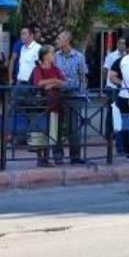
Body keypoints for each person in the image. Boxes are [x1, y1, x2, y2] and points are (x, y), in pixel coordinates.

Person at [54, 31, 88, 165]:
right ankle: (58, 155)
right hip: (59, 94)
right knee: (57, 126)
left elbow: (83, 76)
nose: (57, 40)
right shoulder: (56, 56)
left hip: (74, 95)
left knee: (73, 127)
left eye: (60, 38)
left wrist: (83, 93)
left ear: (67, 40)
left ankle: (75, 156)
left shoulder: (79, 56)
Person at [31, 45, 66, 167]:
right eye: (52, 53)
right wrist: (54, 80)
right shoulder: (38, 69)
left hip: (55, 102)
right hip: (42, 105)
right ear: (45, 55)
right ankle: (42, 158)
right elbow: (39, 83)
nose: (54, 55)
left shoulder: (55, 68)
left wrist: (52, 83)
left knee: (55, 130)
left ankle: (57, 156)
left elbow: (62, 82)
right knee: (42, 130)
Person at [108, 38, 129, 158]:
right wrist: (122, 84)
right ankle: (126, 150)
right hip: (125, 95)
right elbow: (114, 76)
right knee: (124, 123)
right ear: (128, 47)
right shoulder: (124, 61)